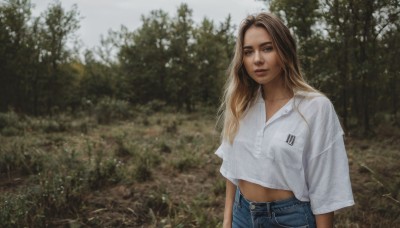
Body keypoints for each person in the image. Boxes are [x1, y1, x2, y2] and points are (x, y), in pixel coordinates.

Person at [215, 12, 354, 228]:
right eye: (248, 52)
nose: (257, 59)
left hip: (290, 219)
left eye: (267, 48)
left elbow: (325, 187)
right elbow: (232, 171)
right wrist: (227, 222)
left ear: (285, 51)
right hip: (242, 215)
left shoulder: (315, 107)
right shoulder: (241, 104)